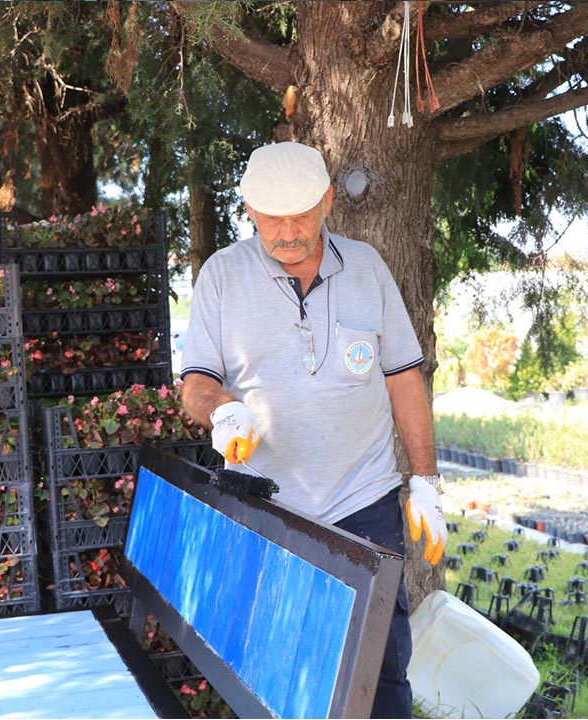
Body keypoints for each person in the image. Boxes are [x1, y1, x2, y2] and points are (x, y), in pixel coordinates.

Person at [180, 141, 447, 718]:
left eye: (300, 214)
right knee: (273, 668)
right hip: (265, 507)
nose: (286, 231)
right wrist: (223, 410)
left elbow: (404, 377)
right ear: (249, 209)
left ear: (328, 200)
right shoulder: (222, 276)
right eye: (271, 217)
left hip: (363, 501)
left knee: (379, 674)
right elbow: (195, 383)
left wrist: (424, 480)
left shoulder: (368, 268)